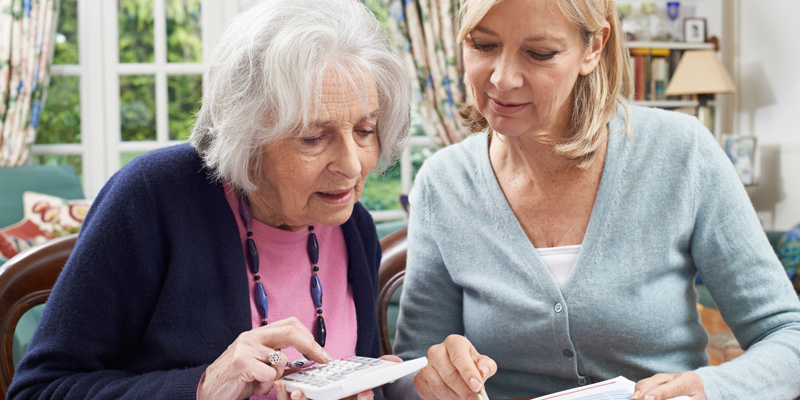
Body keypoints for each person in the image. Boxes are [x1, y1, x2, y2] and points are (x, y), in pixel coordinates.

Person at [387, 0, 800, 399]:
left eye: (539, 53)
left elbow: (788, 334)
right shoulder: (442, 185)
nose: (503, 78)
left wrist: (712, 390)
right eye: (482, 45)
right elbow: (411, 368)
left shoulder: (681, 153)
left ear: (594, 48)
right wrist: (430, 379)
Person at [8, 0, 411, 399]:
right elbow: (40, 390)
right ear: (247, 140)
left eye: (365, 130)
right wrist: (204, 388)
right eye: (313, 137)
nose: (352, 166)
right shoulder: (152, 198)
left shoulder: (352, 224)